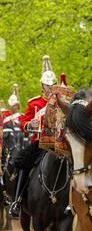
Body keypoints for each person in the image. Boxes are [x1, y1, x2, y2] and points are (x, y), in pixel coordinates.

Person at [9, 55, 57, 217]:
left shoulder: (61, 101)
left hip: (59, 143)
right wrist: (31, 125)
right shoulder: (34, 103)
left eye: (52, 85)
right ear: (42, 86)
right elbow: (23, 123)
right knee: (23, 163)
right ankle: (17, 200)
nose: (49, 89)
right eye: (47, 85)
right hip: (40, 143)